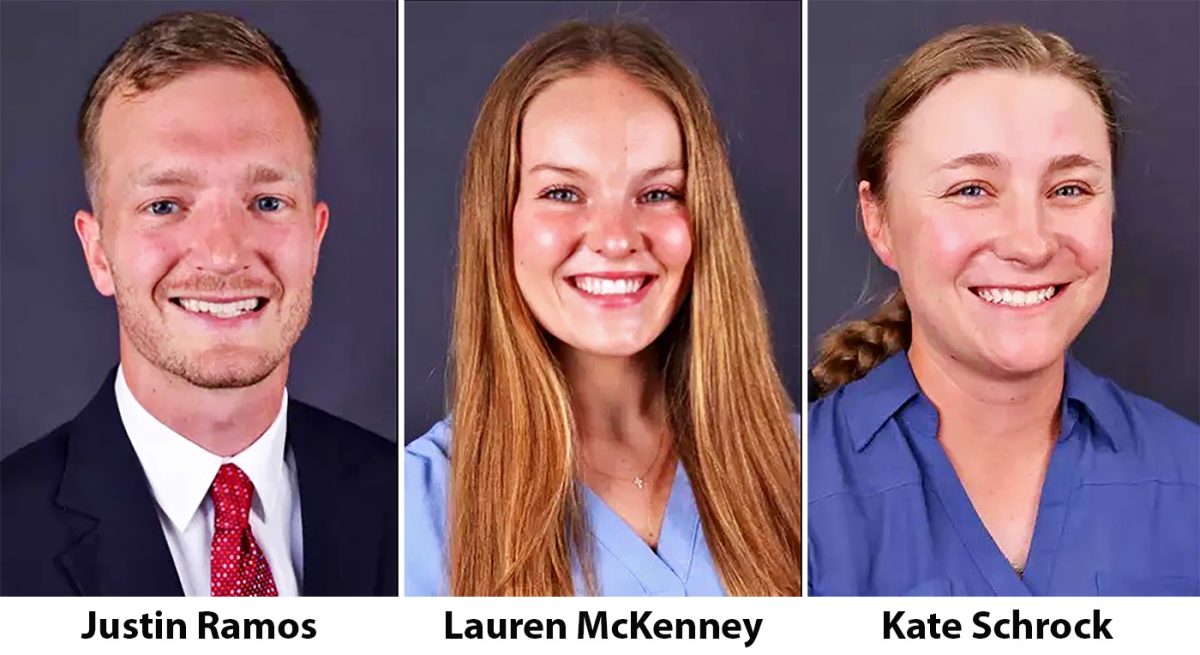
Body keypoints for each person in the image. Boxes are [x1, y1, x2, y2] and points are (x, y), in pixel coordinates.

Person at [0, 11, 397, 597]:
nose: (222, 254)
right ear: (98, 253)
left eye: (266, 201)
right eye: (165, 205)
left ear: (315, 239)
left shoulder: (411, 504)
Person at [405, 20, 801, 596]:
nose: (616, 239)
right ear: (499, 221)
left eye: (658, 193)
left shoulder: (810, 469)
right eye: (563, 193)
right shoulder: (414, 515)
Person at [808, 24, 1198, 596]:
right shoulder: (790, 483)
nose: (1030, 243)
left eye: (1069, 190)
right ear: (879, 221)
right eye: (972, 190)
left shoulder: (1189, 473)